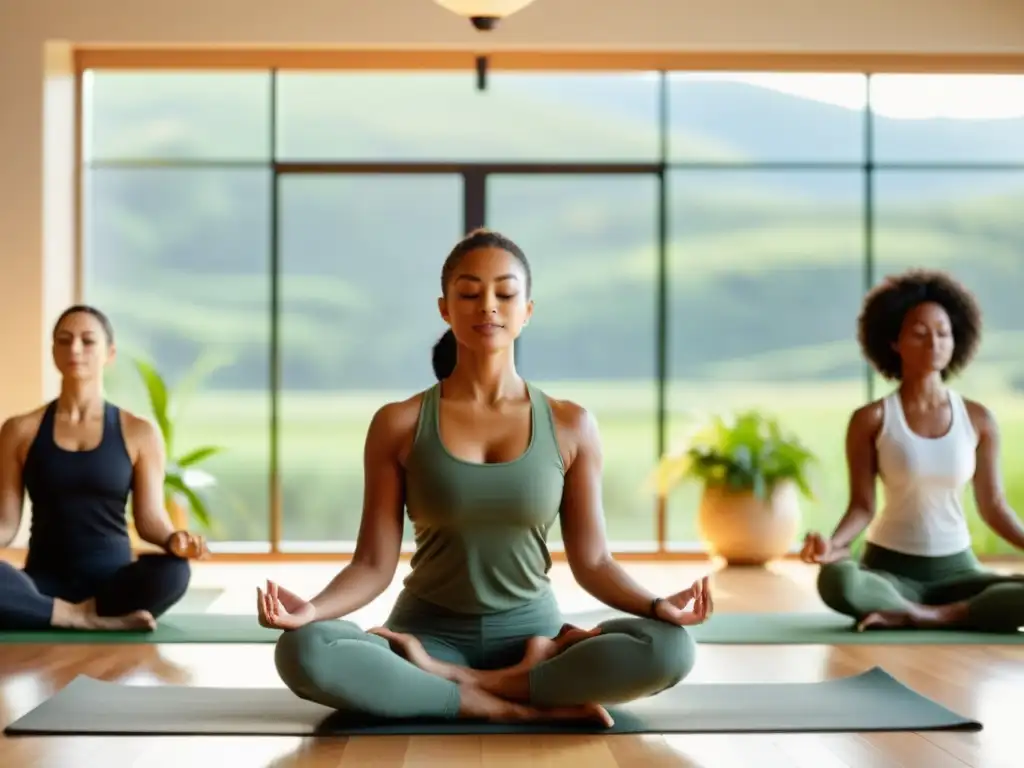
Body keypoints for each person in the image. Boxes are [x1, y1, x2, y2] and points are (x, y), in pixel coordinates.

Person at [257, 228, 713, 727]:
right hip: (424, 635)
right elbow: (371, 564)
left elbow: (594, 561)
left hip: (534, 636)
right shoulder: (399, 423)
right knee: (303, 650)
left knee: (670, 649)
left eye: (505, 292)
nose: (488, 306)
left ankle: (469, 685)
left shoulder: (570, 424)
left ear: (528, 310)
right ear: (445, 308)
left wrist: (656, 604)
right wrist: (311, 612)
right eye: (470, 293)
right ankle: (497, 703)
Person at [801, 268, 1024, 633]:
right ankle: (935, 611)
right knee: (837, 581)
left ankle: (928, 615)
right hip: (889, 574)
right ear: (894, 342)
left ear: (957, 339)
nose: (934, 344)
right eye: (920, 334)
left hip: (959, 572)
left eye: (943, 333)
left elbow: (994, 506)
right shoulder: (870, 419)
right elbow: (862, 506)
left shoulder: (979, 419)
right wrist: (833, 544)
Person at [0, 304, 209, 632]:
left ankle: (71, 614)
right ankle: (77, 617)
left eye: (88, 341)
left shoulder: (139, 431)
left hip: (113, 585)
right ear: (53, 351)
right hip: (41, 584)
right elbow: (6, 524)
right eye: (65, 340)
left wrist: (174, 539)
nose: (76, 349)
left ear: (109, 353)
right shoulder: (19, 430)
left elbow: (150, 520)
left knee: (175, 572)